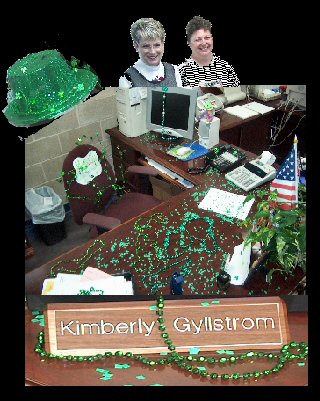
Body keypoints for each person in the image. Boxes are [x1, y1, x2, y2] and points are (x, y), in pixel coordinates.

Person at [119, 18, 182, 87]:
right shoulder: (127, 78)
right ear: (136, 46)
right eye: (146, 46)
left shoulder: (174, 70)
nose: (152, 51)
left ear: (163, 44)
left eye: (157, 45)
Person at [178, 16, 240, 88]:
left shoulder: (225, 67)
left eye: (207, 38)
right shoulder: (181, 72)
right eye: (198, 39)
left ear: (212, 39)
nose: (204, 43)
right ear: (189, 43)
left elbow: (238, 95)